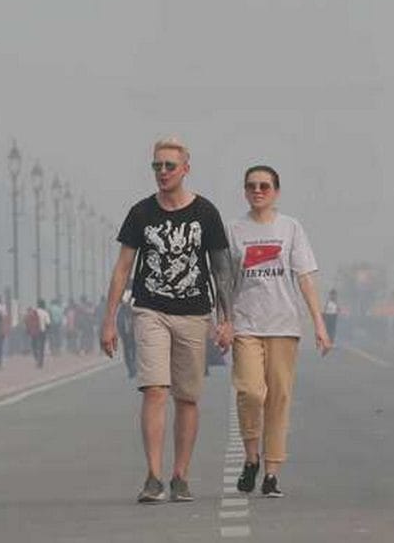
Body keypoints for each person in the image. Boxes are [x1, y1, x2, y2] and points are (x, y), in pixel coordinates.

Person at [99, 136, 234, 504]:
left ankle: (181, 475)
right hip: (150, 310)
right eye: (156, 166)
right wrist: (109, 319)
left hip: (193, 312)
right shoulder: (141, 214)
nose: (162, 172)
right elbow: (122, 268)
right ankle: (154, 475)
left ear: (185, 169)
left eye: (169, 166)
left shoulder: (205, 213)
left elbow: (222, 268)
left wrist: (226, 319)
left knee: (187, 397)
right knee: (155, 390)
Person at [228, 165, 331, 499]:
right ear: (244, 191)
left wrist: (318, 322)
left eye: (265, 186)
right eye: (252, 186)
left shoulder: (291, 228)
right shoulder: (234, 230)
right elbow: (224, 282)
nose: (258, 191)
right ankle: (250, 457)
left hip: (284, 325)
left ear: (276, 191)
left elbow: (304, 277)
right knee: (250, 392)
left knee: (279, 399)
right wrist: (223, 320)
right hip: (246, 325)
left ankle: (272, 471)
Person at [116, 291, 137, 378]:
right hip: (125, 336)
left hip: (134, 335)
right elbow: (119, 323)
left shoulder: (134, 310)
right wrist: (120, 334)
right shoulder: (121, 312)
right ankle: (131, 369)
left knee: (135, 352)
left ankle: (134, 367)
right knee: (127, 353)